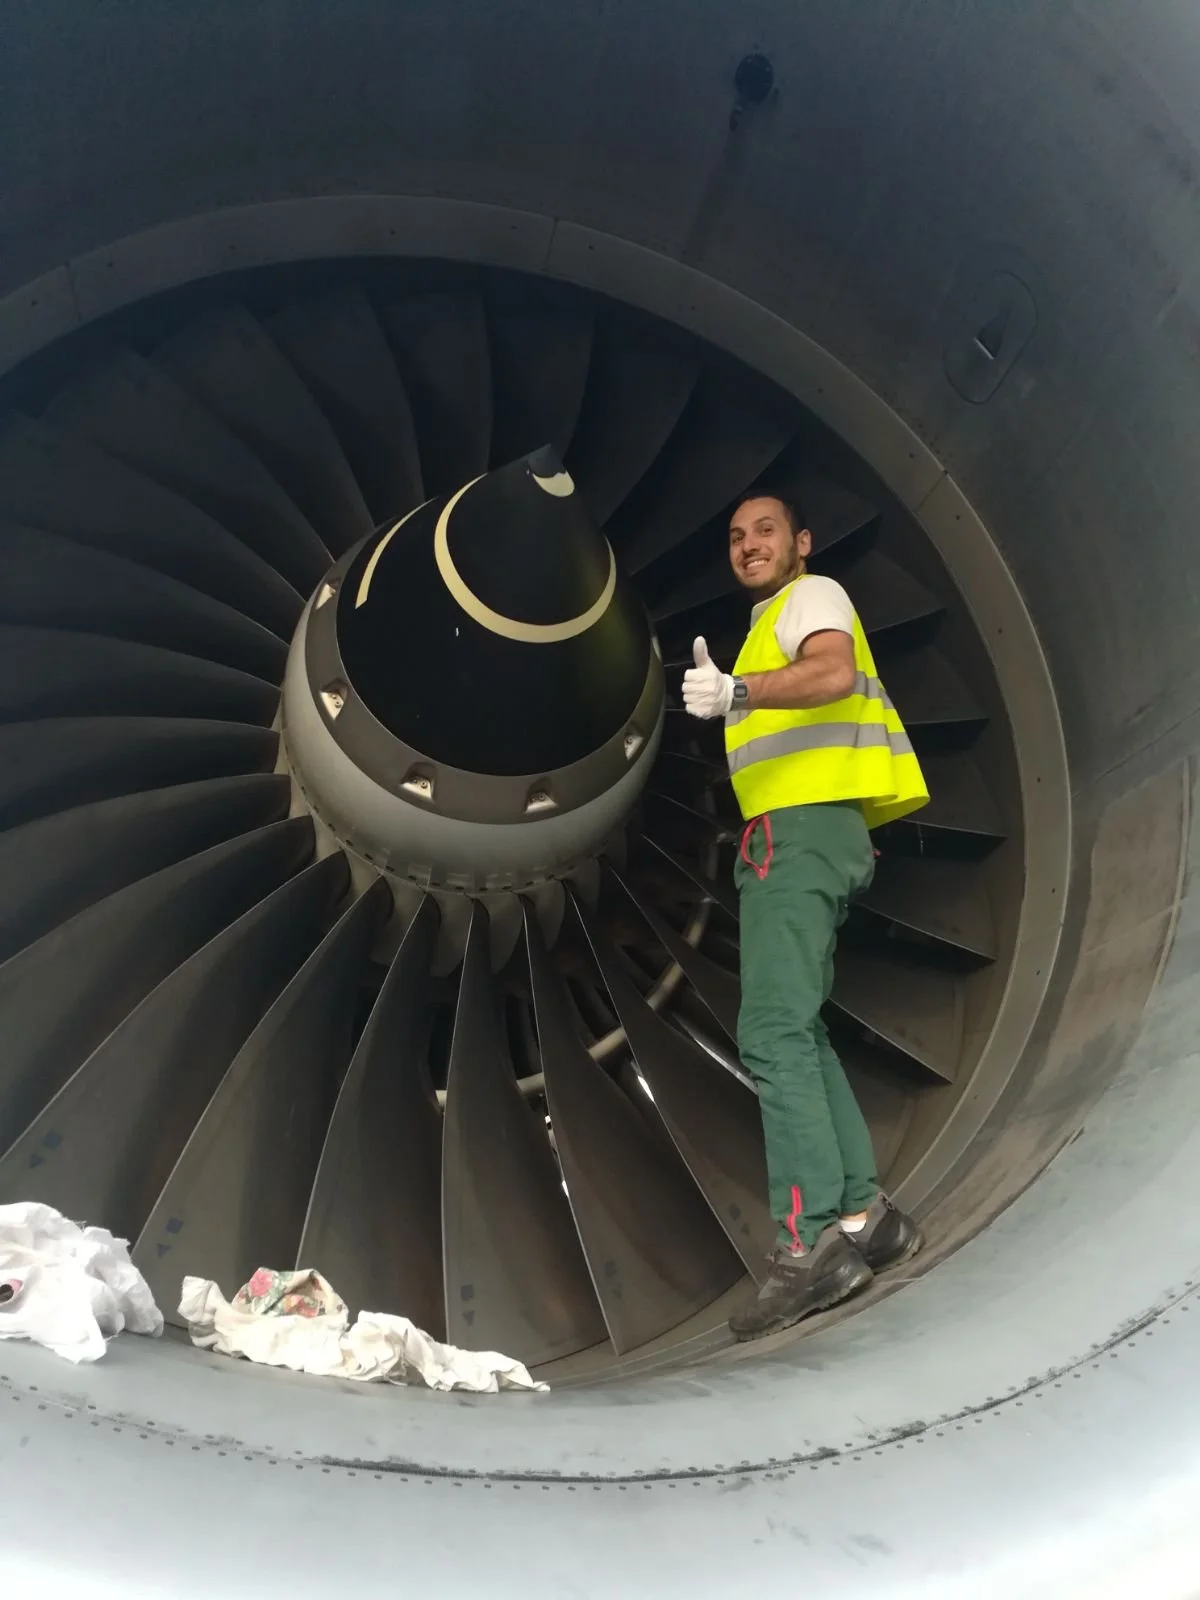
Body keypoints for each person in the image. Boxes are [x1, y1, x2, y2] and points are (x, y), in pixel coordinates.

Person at [682, 493, 930, 1340]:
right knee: (802, 1030)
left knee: (771, 1035)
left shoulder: (808, 601)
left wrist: (737, 691)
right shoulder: (768, 623)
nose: (749, 545)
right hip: (815, 833)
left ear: (802, 543)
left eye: (765, 531)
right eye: (736, 536)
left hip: (797, 838)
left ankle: (808, 1245)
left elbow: (835, 673)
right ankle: (866, 1219)